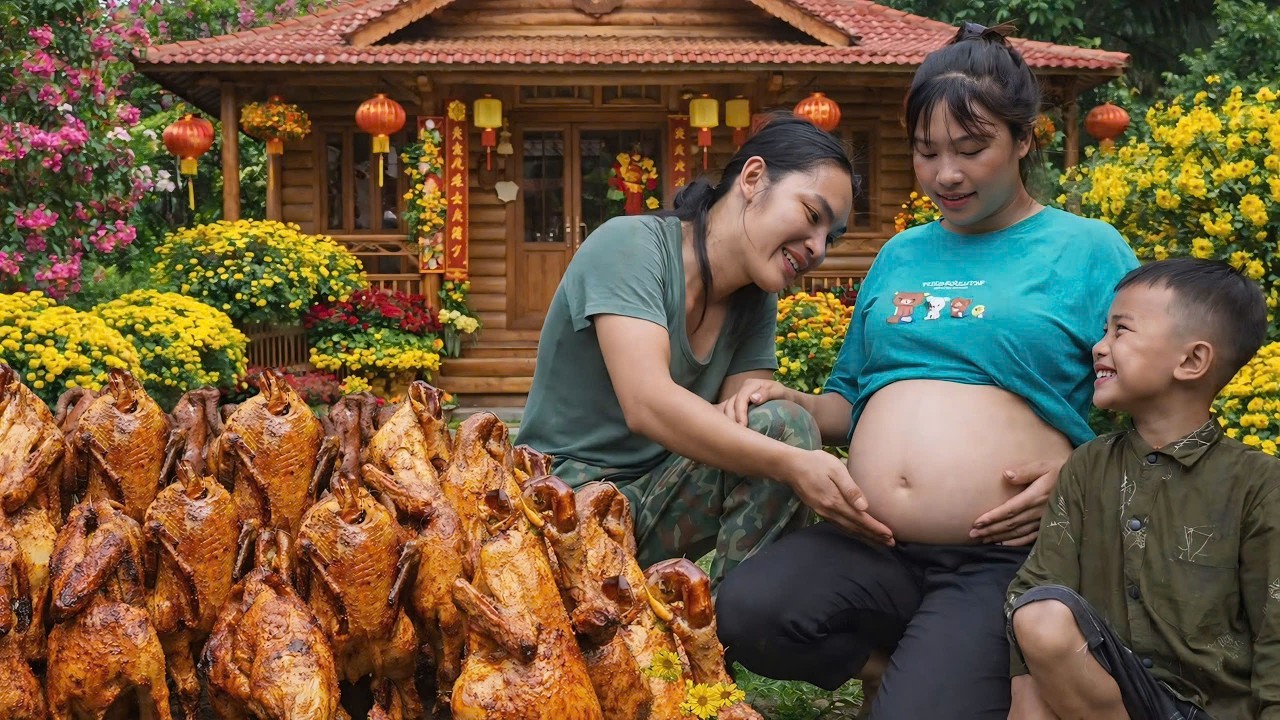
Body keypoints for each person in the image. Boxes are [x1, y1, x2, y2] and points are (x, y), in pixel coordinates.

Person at [713, 23, 1140, 719]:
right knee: (745, 611)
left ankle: (956, 668)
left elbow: (1157, 408)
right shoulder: (901, 255)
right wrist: (790, 397)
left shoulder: (1087, 250)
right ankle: (923, 659)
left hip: (998, 558)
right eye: (927, 150)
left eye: (972, 149)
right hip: (876, 545)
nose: (946, 173)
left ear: (1024, 140)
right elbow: (849, 400)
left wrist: (1080, 470)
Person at [515, 116, 859, 586]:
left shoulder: (755, 299)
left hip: (647, 505)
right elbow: (648, 405)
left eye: (831, 238)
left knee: (781, 424)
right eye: (812, 216)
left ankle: (728, 630)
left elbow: (749, 423)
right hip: (558, 503)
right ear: (753, 178)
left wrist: (795, 450)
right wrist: (798, 465)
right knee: (785, 443)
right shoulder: (630, 245)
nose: (818, 248)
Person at [1006, 258, 1279, 720]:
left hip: (1211, 710)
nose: (1099, 347)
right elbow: (1036, 586)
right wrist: (1025, 703)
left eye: (1121, 331)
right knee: (1039, 615)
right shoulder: (1088, 466)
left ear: (1192, 360)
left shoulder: (1258, 484)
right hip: (1106, 697)